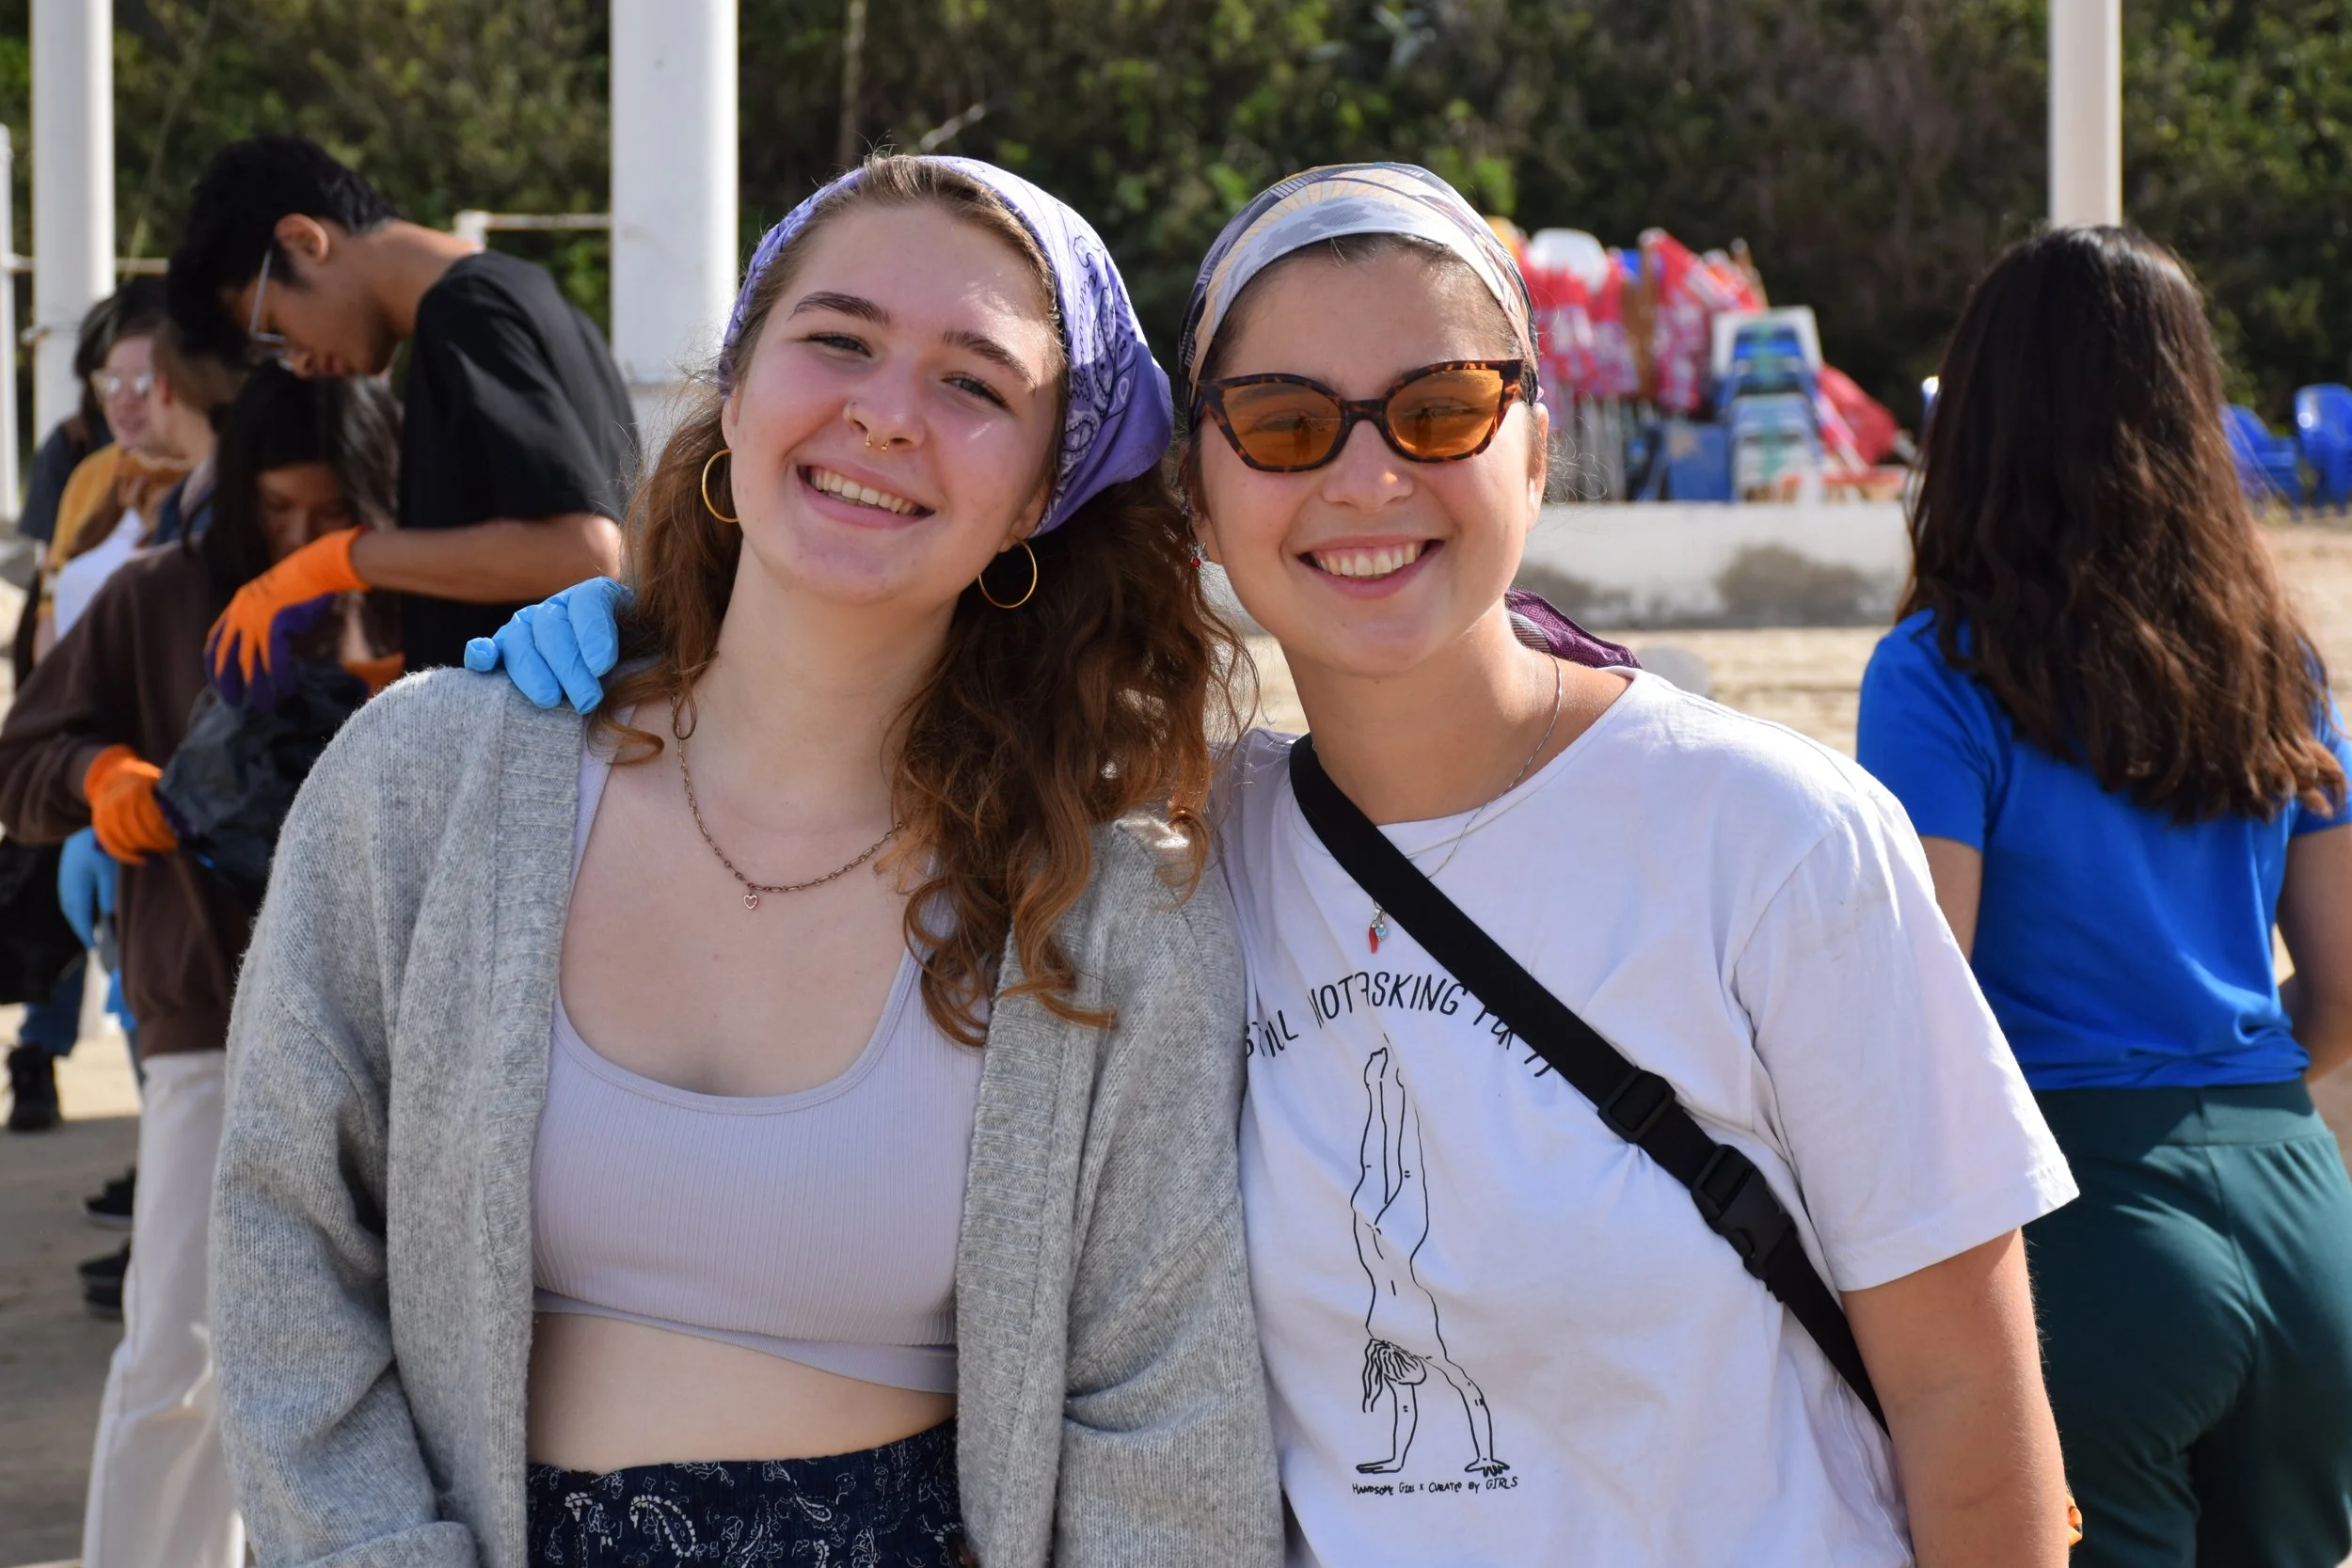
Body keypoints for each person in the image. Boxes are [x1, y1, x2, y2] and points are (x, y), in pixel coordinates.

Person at [477, 165, 2081, 1566]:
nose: (1367, 478)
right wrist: (651, 636)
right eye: (1288, 423)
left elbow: (1967, 1392)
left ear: (1537, 447)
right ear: (1202, 491)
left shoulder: (1777, 839)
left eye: (1441, 410)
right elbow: (869, 692)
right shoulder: (1173, 860)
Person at [209, 154, 1280, 1568]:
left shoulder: (1111, 908)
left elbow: (1166, 1419)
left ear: (1040, 490)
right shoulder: (427, 777)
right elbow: (284, 1240)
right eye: (837, 339)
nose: (884, 412)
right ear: (735, 390)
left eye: (973, 382)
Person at [1856, 226, 2352, 1568]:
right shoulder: (2280, 663)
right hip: (2298, 1203)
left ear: (1979, 416)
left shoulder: (1940, 671)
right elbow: (2346, 988)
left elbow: (1925, 995)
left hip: (2080, 1220)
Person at [0, 365, 401, 1568]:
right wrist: (98, 778)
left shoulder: (418, 590)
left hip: (398, 1031)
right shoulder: (154, 595)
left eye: (332, 512)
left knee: (380, 1366)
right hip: (209, 1019)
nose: (300, 537)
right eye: (276, 510)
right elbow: (23, 755)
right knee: (183, 1351)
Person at [167, 133, 636, 689]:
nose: (300, 363)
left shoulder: (466, 312)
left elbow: (586, 554)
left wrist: (338, 560)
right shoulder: (521, 292)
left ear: (303, 242)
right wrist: (399, 683)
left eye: (274, 328)